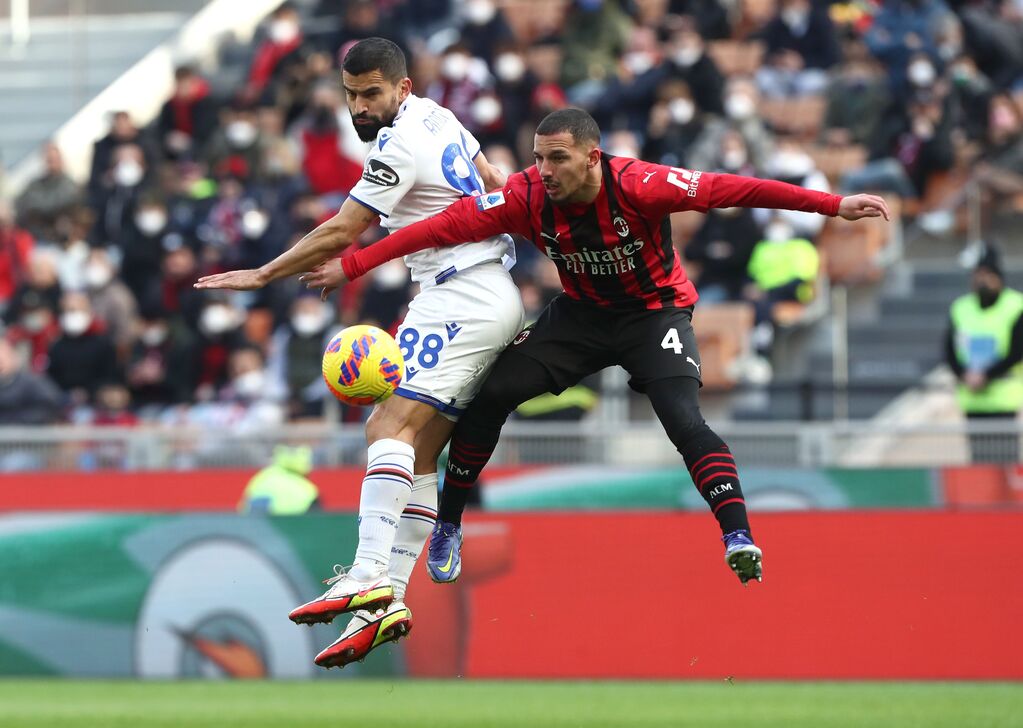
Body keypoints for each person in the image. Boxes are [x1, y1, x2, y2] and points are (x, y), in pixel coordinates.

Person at [303, 108, 889, 589]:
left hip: (652, 313)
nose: (543, 169)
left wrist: (832, 205)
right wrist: (353, 264)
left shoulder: (640, 183)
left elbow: (732, 188)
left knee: (684, 421)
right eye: (537, 157)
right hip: (581, 318)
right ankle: (449, 524)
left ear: (591, 156)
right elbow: (433, 230)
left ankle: (736, 533)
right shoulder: (525, 197)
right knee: (492, 395)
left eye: (556, 157)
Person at [193, 38, 521, 668]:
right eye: (351, 94)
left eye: (372, 93)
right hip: (478, 289)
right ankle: (388, 601)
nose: (360, 106)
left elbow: (346, 229)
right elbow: (494, 182)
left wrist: (262, 275)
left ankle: (369, 571)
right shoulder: (439, 116)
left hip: (461, 292)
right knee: (419, 446)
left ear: (400, 87)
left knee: (385, 424)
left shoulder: (399, 142)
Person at [944, 242, 1023, 464]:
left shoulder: (1016, 306)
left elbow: (1017, 352)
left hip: (1004, 399)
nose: (982, 280)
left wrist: (986, 375)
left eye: (987, 274)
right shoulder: (961, 307)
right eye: (978, 274)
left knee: (1005, 464)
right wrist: (965, 375)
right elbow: (949, 351)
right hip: (972, 399)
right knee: (979, 466)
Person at [239, 445, 321, 514]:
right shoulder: (307, 490)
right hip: (290, 531)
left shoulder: (261, 477)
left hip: (252, 530)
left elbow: (243, 508)